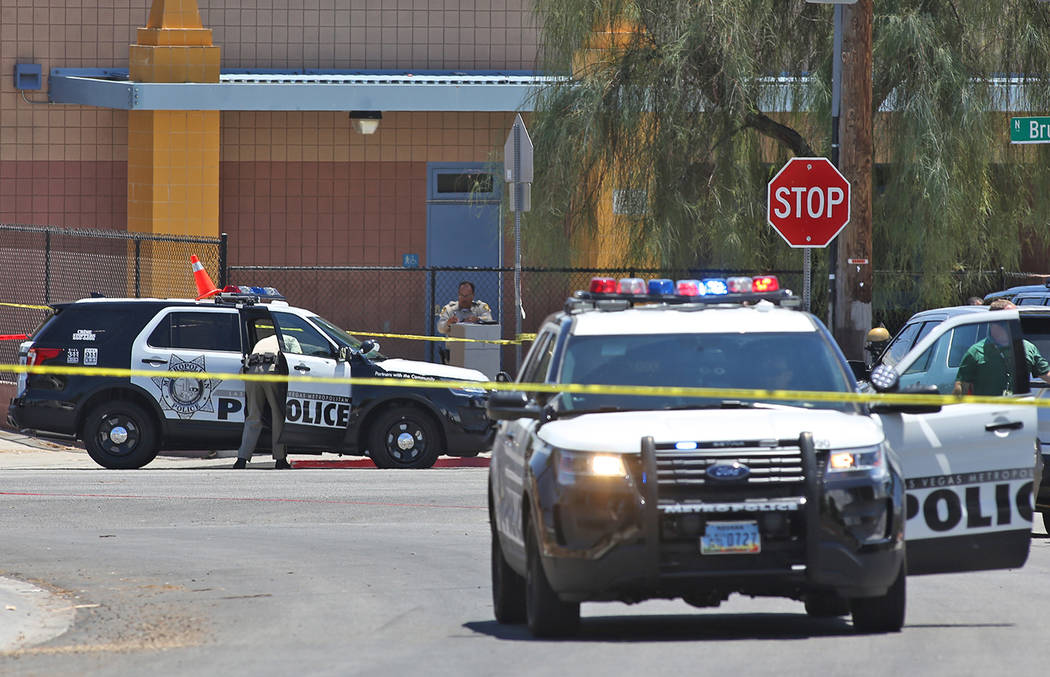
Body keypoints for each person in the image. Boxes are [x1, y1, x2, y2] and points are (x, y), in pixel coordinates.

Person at [953, 299, 1050, 396]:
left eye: (1016, 319)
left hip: (1018, 410)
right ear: (993, 322)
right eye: (1009, 319)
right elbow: (961, 388)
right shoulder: (975, 352)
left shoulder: (1027, 348)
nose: (1015, 323)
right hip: (988, 410)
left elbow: (1046, 374)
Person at [234, 332, 300, 469]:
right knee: (278, 415)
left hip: (251, 371)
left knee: (253, 416)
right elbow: (297, 362)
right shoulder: (291, 340)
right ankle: (280, 459)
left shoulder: (264, 341)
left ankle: (241, 458)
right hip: (271, 371)